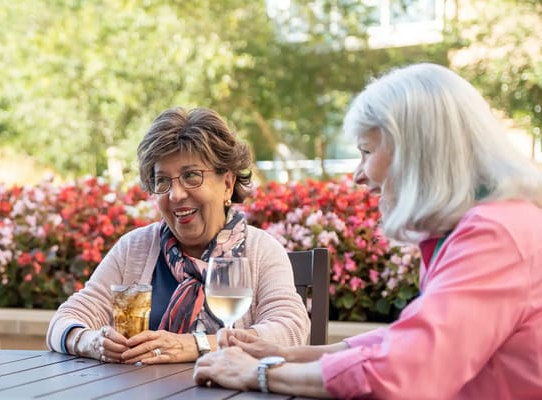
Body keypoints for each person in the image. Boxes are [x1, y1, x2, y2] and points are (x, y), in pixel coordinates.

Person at [194, 63, 542, 398]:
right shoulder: (489, 225)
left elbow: (403, 372)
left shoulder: (494, 237)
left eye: (366, 151)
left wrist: (260, 374)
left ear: (416, 153)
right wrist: (287, 355)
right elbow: (404, 343)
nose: (359, 174)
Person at [46, 107, 309, 365]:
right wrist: (90, 341)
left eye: (191, 176)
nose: (176, 195)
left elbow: (290, 331)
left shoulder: (260, 251)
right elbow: (65, 321)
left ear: (227, 183)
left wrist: (197, 345)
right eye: (162, 181)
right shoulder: (135, 249)